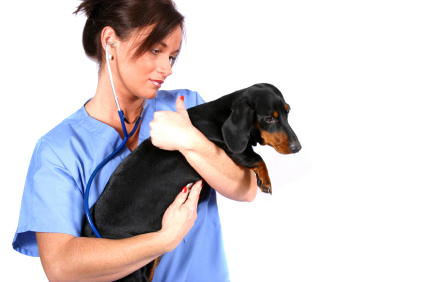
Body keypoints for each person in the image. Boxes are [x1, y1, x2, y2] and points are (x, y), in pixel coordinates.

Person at [12, 0, 258, 281]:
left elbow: (246, 188)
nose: (167, 68)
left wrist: (192, 141)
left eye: (172, 56)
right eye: (156, 51)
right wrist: (164, 240)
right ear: (110, 41)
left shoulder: (186, 108)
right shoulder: (58, 150)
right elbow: (61, 266)